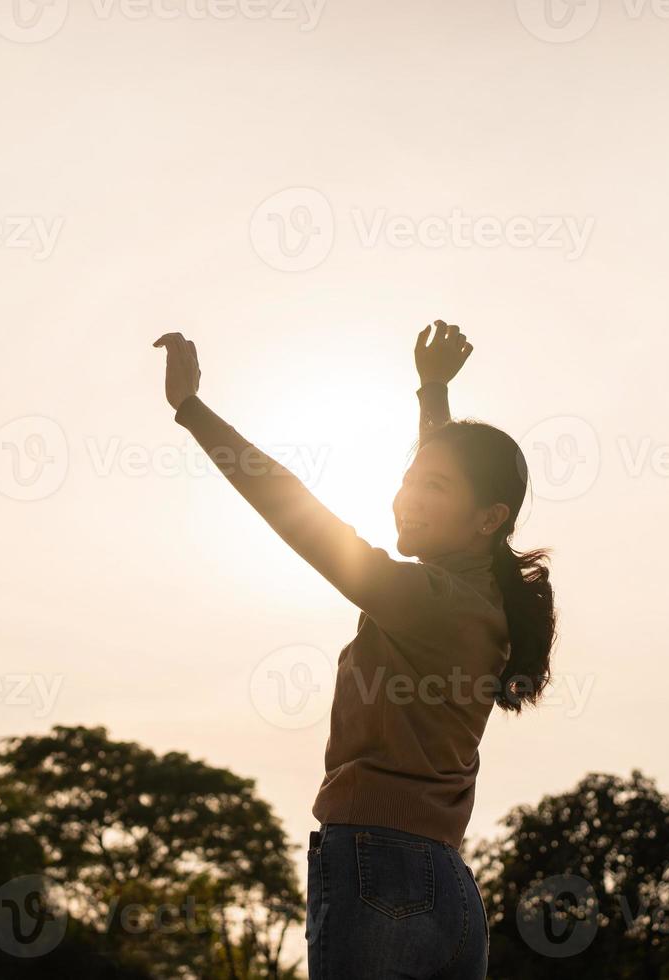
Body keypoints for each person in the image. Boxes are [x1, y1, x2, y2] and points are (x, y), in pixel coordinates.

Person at [153, 320, 557, 979]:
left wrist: (193, 411)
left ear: (488, 519)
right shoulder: (481, 603)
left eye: (434, 488)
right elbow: (453, 484)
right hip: (447, 890)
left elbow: (296, 510)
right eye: (410, 479)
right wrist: (432, 395)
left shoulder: (427, 600)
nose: (408, 497)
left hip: (379, 875)